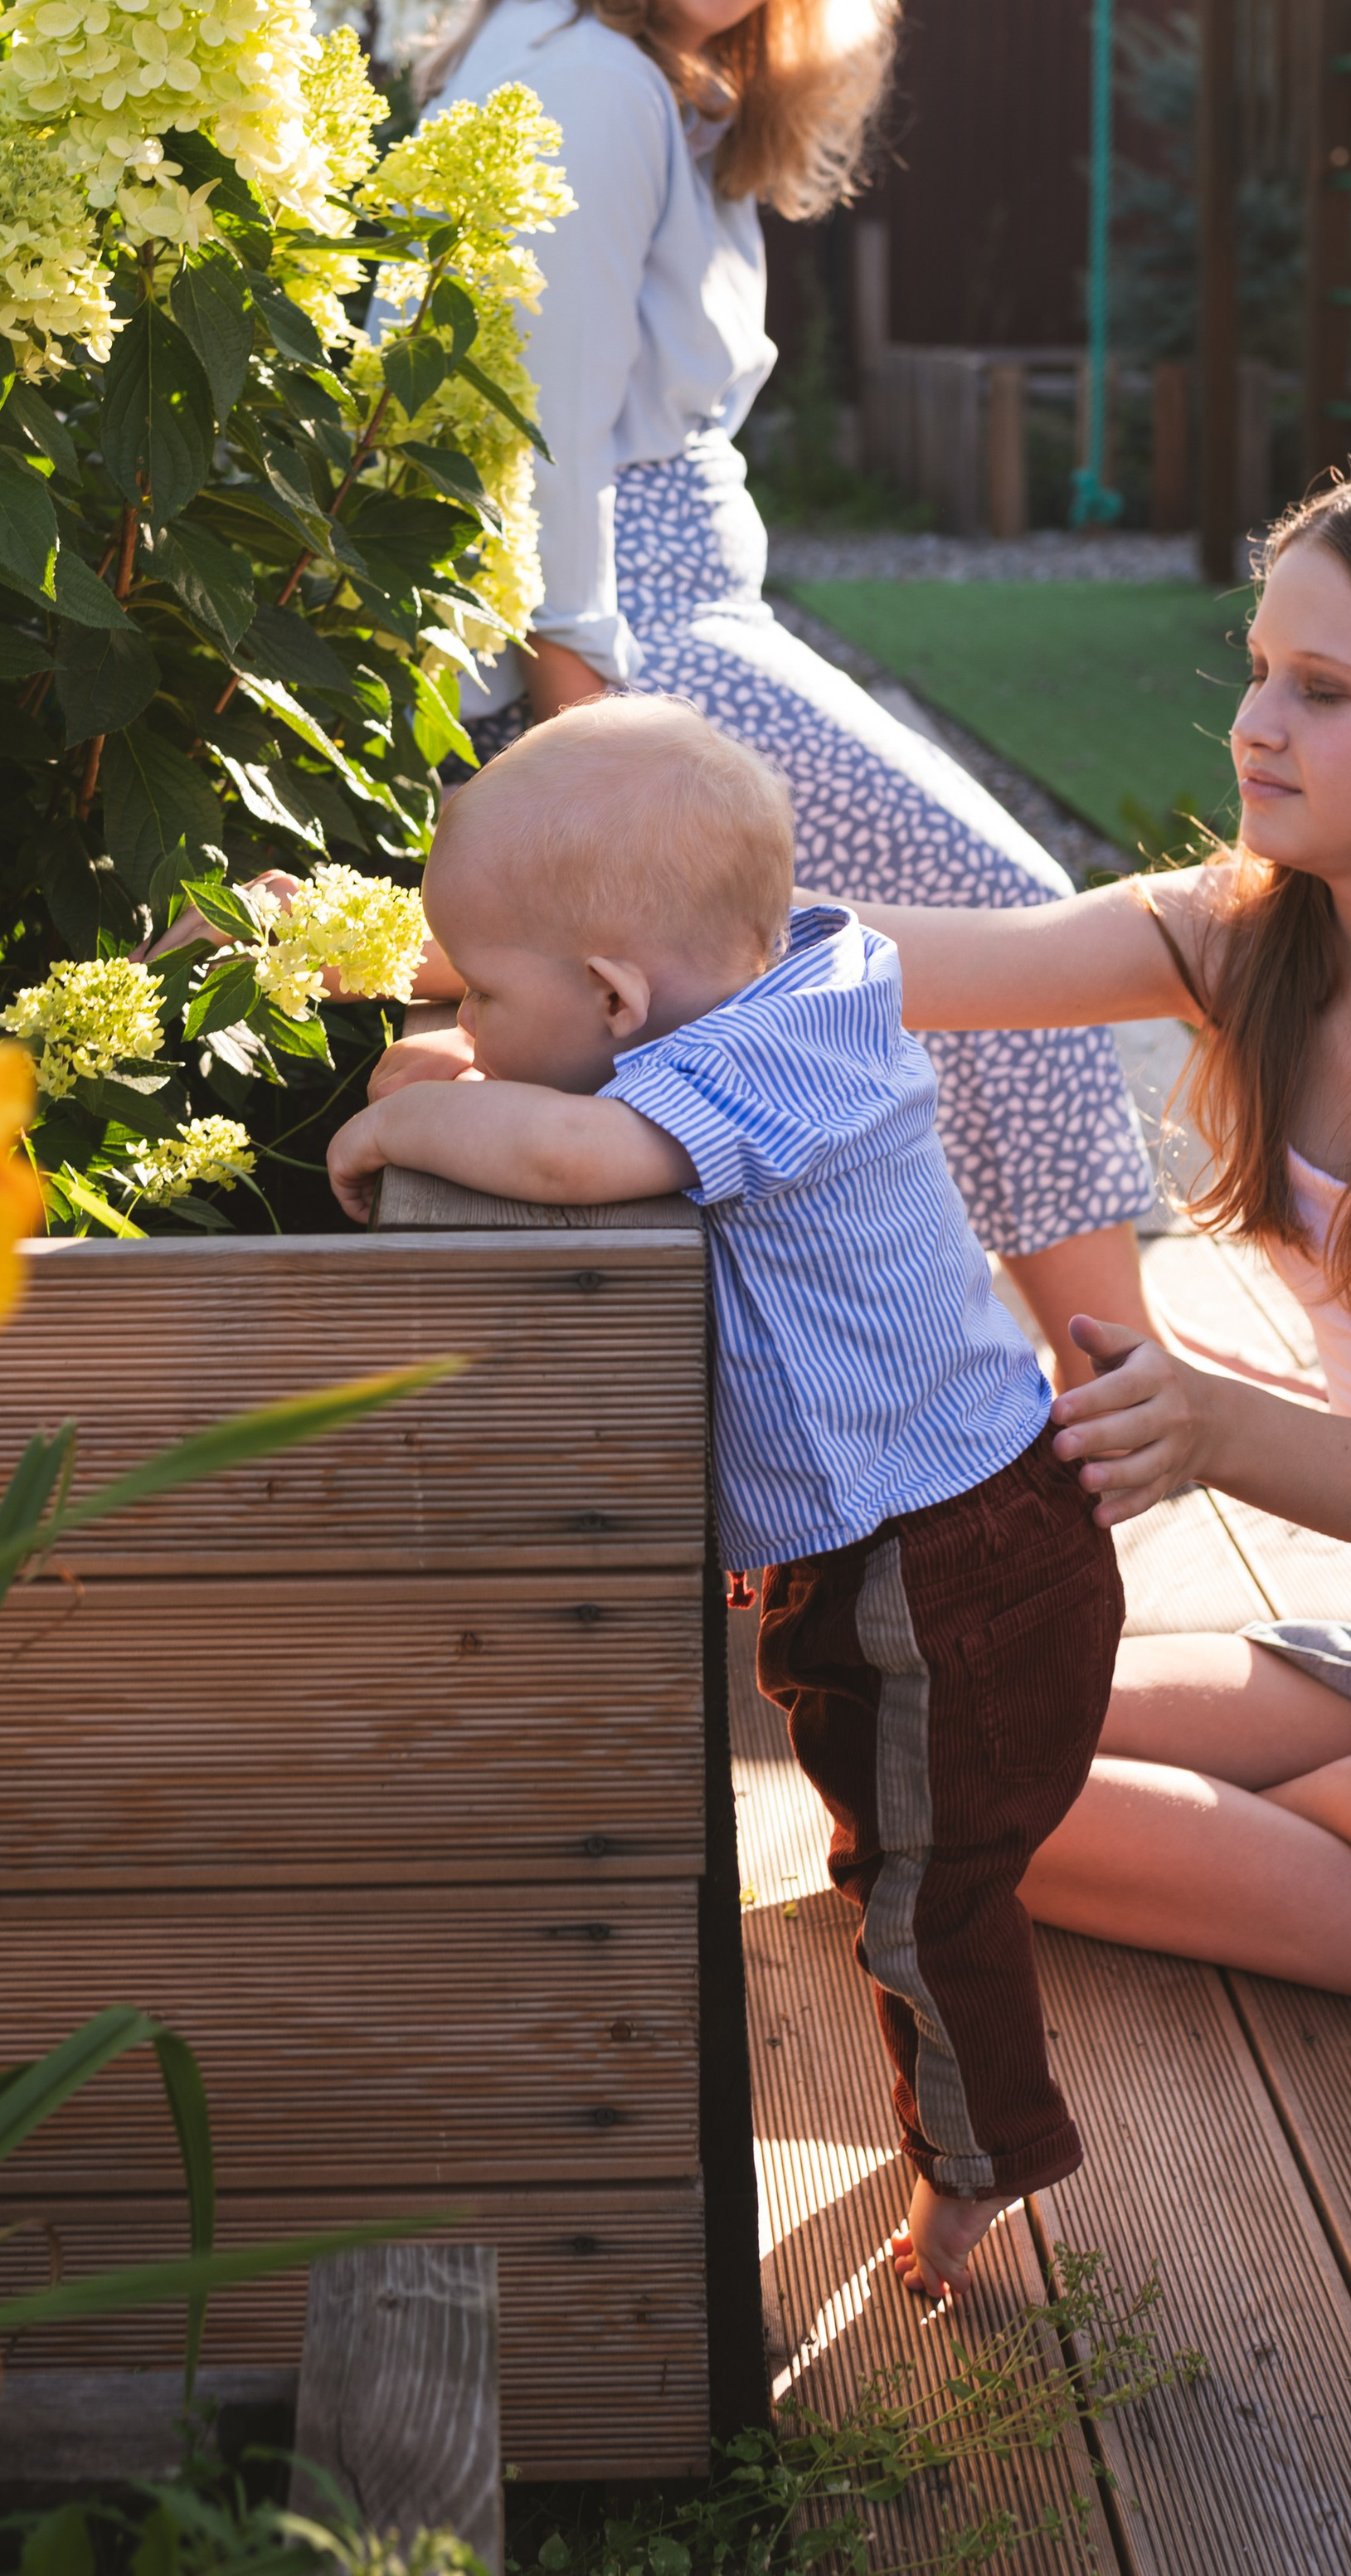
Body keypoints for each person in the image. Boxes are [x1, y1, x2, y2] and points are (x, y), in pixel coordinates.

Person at [829, 450, 1351, 2171]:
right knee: (928, 1775)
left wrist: (1209, 1423)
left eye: (1319, 690)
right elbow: (874, 964)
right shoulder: (1240, 943)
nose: (1254, 722)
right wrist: (490, 947)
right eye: (1257, 669)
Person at [330, 695, 1125, 2301]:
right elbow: (558, 1090)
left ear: (621, 999)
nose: (466, 1019)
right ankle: (971, 2131)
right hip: (938, 1532)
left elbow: (567, 1156)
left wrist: (405, 1114)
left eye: (485, 994)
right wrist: (456, 1024)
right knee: (904, 1850)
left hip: (941, 1570)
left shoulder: (747, 1076)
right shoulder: (794, 974)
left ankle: (982, 2172)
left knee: (923, 1897)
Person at [412, 0, 1157, 1388]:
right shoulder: (590, 84)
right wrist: (580, 725)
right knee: (1012, 925)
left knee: (886, 975)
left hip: (678, 598)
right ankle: (1127, 1401)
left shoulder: (618, 62)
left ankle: (1058, 1385)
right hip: (635, 623)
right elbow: (535, 438)